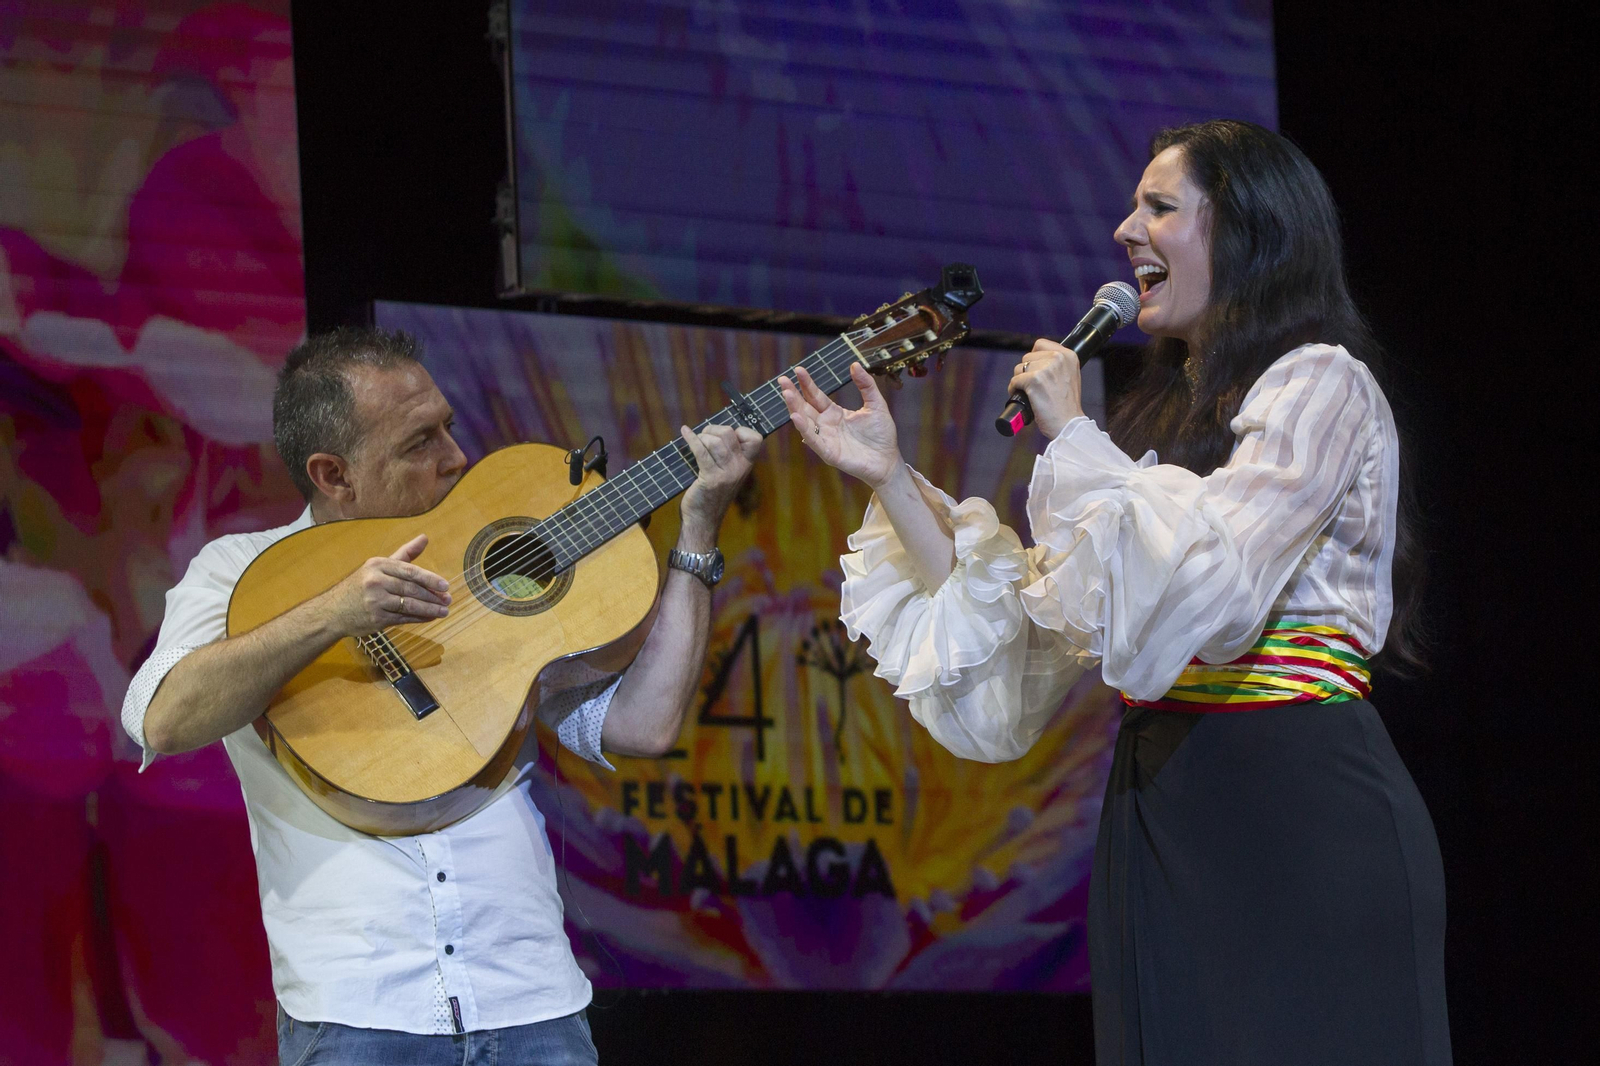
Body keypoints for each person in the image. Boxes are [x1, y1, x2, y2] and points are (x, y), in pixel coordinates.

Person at [779, 120, 1449, 1065]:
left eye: (1160, 207)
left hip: (1296, 801)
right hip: (1164, 798)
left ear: (1248, 231)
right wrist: (890, 478)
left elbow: (1214, 597)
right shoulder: (1154, 428)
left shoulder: (1320, 386)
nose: (1125, 232)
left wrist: (1073, 439)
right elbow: (1024, 647)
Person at [120, 327, 761, 1066]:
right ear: (333, 474)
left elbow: (642, 725)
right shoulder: (240, 573)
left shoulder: (498, 557)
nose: (456, 457)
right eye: (419, 442)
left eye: (449, 426)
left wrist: (700, 530)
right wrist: (333, 613)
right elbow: (163, 719)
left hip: (533, 1004)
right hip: (359, 1014)